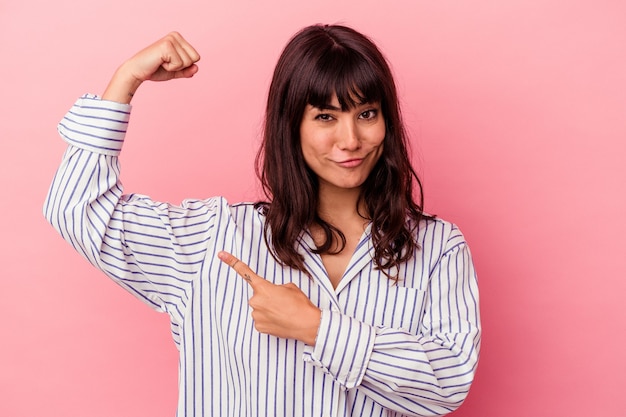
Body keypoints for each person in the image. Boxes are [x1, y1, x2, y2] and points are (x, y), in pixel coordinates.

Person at [44, 25, 480, 417]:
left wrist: (317, 328)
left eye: (366, 113)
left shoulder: (437, 248)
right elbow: (77, 208)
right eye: (325, 117)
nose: (351, 140)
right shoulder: (214, 238)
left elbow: (448, 386)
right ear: (290, 125)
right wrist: (126, 80)